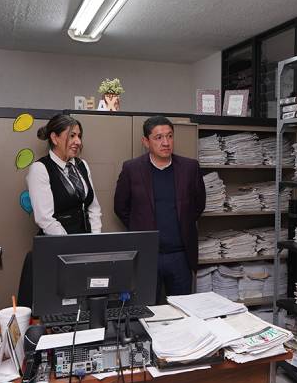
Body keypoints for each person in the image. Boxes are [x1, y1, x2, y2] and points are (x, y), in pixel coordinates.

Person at [114, 115, 206, 298]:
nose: (166, 142)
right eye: (158, 137)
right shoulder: (132, 169)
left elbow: (198, 205)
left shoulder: (189, 168)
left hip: (180, 256)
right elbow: (120, 207)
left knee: (182, 309)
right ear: (146, 141)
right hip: (147, 255)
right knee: (145, 308)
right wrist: (140, 227)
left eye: (170, 136)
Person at [17, 114, 102, 307]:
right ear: (54, 138)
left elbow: (93, 207)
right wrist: (71, 248)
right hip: (57, 249)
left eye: (79, 136)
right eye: (72, 136)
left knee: (85, 305)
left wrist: (95, 242)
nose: (78, 141)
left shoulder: (82, 165)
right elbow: (45, 219)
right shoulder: (40, 169)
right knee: (58, 306)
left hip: (85, 248)